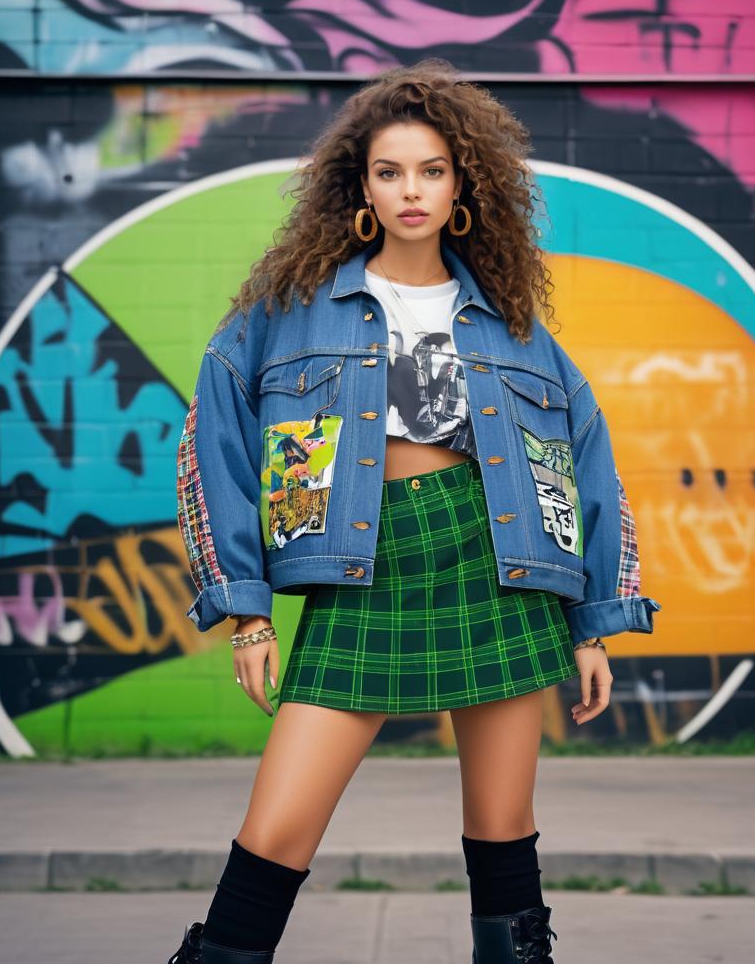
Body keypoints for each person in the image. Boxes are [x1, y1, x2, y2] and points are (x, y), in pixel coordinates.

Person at [168, 58, 660, 964]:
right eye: (390, 172)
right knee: (273, 837)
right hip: (363, 566)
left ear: (462, 183)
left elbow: (583, 464)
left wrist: (592, 622)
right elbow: (211, 450)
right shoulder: (286, 312)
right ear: (359, 187)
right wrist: (246, 611)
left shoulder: (514, 327)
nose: (412, 191)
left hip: (494, 564)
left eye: (431, 170)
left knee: (505, 842)